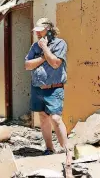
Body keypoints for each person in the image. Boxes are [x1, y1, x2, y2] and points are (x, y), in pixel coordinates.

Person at [25, 17, 69, 156]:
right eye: (36, 31)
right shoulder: (34, 46)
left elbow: (55, 63)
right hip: (37, 88)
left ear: (49, 30)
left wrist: (44, 48)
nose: (37, 34)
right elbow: (27, 65)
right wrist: (44, 57)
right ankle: (49, 149)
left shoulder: (60, 44)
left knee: (55, 118)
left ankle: (65, 149)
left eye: (40, 31)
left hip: (54, 88)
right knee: (43, 118)